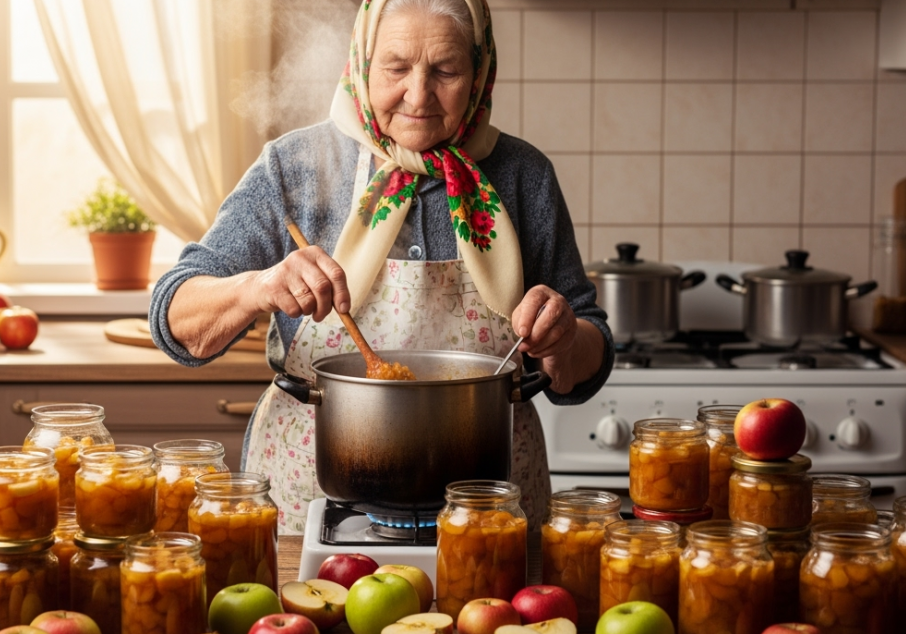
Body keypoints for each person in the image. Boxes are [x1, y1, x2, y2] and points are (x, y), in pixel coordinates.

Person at [150, 0, 614, 533]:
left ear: (480, 71)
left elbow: (590, 351)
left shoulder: (522, 175)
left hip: (487, 513)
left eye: (445, 70)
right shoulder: (292, 167)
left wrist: (563, 339)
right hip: (312, 501)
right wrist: (257, 287)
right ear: (362, 63)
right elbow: (174, 318)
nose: (418, 95)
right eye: (396, 68)